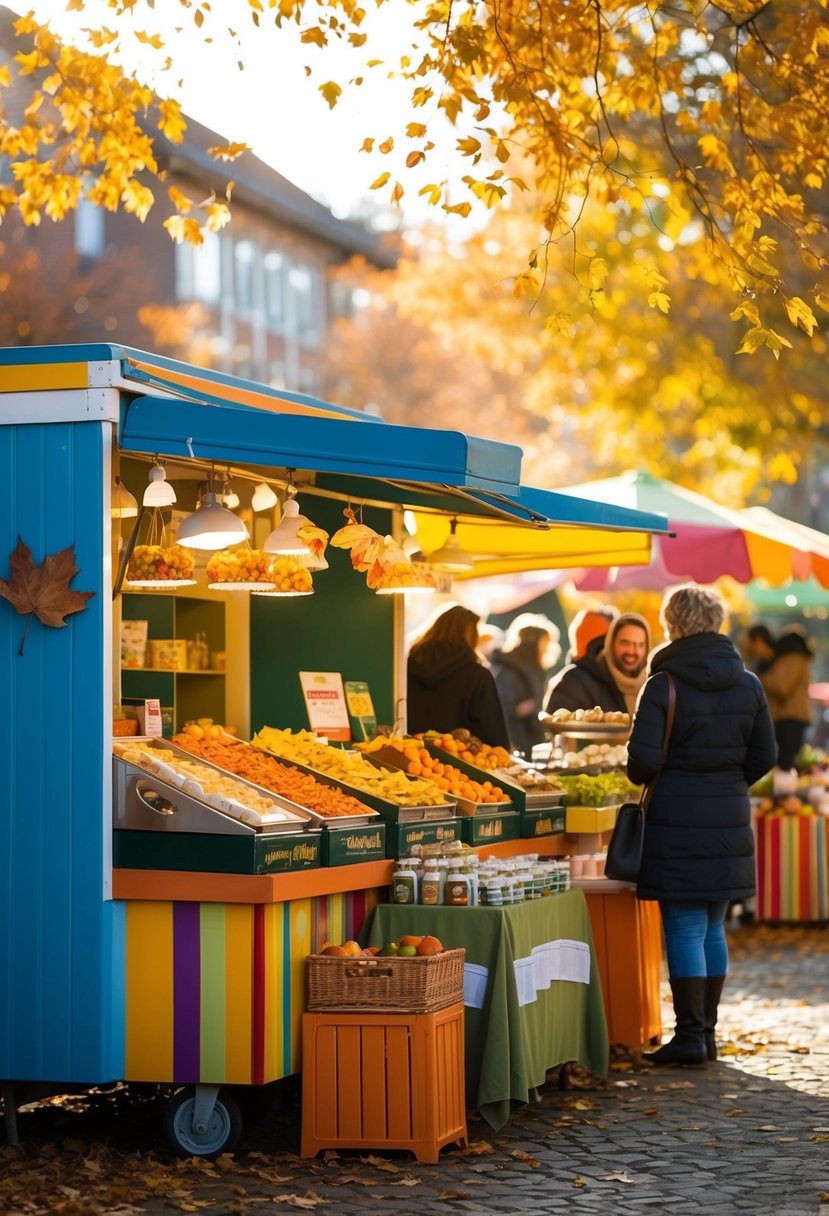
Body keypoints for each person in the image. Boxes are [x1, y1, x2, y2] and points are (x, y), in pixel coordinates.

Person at [627, 583, 776, 1067]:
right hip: (729, 815)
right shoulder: (749, 683)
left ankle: (691, 1037)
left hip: (677, 818)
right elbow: (765, 756)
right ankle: (705, 1034)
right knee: (712, 924)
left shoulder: (663, 684)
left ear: (672, 624)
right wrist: (728, 782)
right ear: (716, 622)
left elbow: (642, 763)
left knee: (686, 926)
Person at [406, 604, 510, 747]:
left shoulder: (405, 668)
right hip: (459, 763)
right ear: (472, 636)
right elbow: (494, 736)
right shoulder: (478, 676)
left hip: (410, 757)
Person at [544, 611, 651, 717]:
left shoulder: (651, 684)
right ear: (609, 644)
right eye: (625, 643)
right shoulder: (573, 682)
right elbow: (561, 727)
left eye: (640, 645)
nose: (632, 651)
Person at [491, 614, 561, 757]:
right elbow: (499, 706)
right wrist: (518, 709)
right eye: (545, 644)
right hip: (516, 741)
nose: (546, 649)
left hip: (528, 739)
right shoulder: (511, 671)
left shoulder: (531, 669)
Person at [757, 624, 814, 770]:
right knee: (785, 761)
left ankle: (785, 790)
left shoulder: (794, 659)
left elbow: (782, 686)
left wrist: (760, 679)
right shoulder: (798, 659)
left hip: (790, 717)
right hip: (789, 717)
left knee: (785, 762)